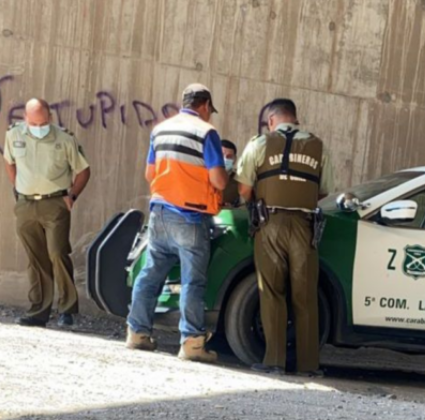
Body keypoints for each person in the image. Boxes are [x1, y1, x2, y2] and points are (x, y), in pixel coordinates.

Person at [126, 83, 228, 363]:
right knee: (193, 281)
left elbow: (150, 173)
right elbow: (218, 179)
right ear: (205, 105)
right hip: (191, 216)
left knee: (151, 274)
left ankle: (137, 333)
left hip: (160, 212)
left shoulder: (161, 129)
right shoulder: (206, 133)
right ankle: (192, 344)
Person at [236, 98, 334, 377]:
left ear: (271, 121)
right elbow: (324, 189)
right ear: (296, 119)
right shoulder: (318, 146)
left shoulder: (259, 144)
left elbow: (243, 188)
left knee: (271, 291)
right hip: (305, 225)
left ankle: (274, 360)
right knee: (305, 296)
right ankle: (308, 366)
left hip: (270, 224)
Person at [3, 98, 91, 328]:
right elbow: (9, 162)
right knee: (36, 258)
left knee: (57, 253)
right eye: (33, 123)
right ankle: (38, 311)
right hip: (25, 205)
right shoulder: (13, 135)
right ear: (25, 119)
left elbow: (83, 170)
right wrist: (18, 189)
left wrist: (72, 196)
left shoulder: (64, 139)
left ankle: (67, 310)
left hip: (55, 204)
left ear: (50, 119)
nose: (38, 128)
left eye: (42, 123)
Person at [220, 139, 240, 207]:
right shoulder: (206, 176)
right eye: (221, 155)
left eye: (229, 156)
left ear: (235, 159)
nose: (225, 159)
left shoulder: (240, 180)